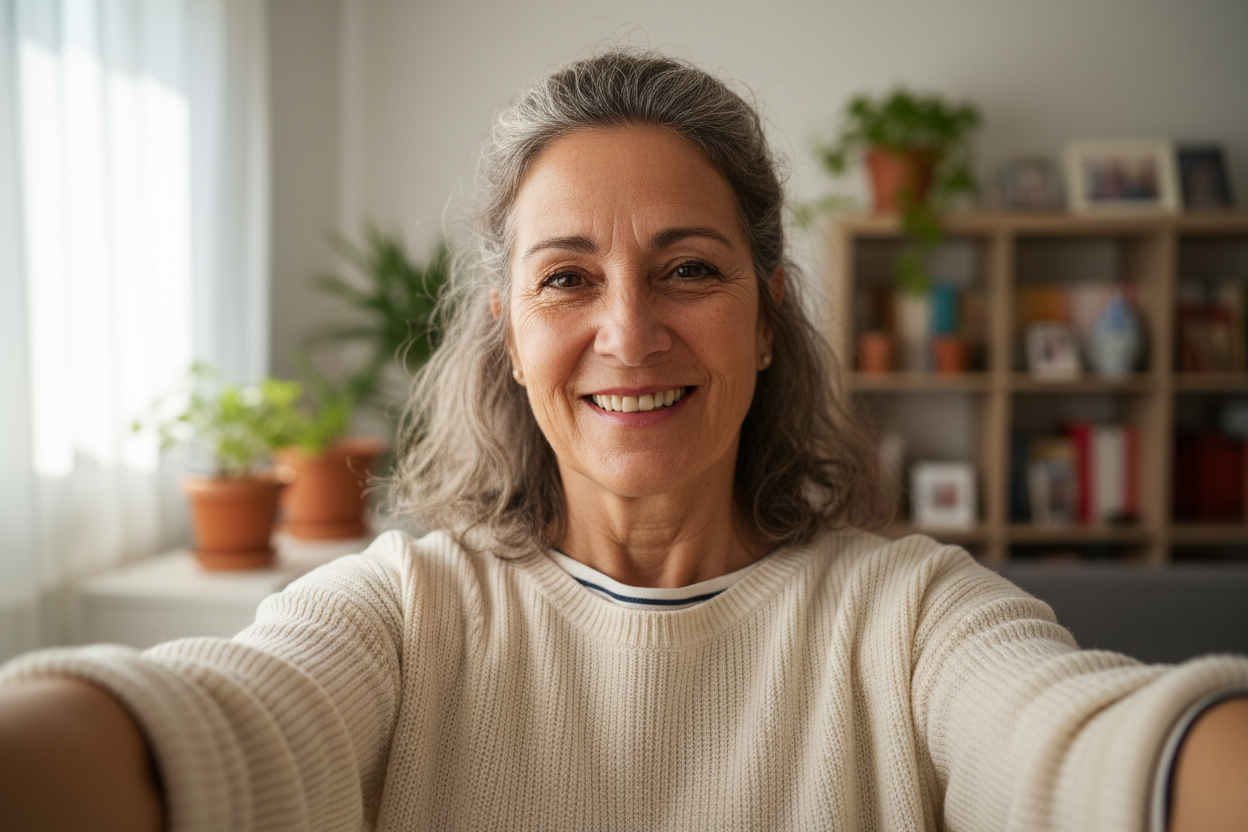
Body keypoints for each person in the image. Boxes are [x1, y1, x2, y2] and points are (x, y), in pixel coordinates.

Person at [2, 48, 1247, 832]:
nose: (630, 331)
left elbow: (1087, 750)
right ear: (507, 333)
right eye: (567, 280)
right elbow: (219, 724)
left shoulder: (909, 617)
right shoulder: (407, 610)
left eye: (688, 269)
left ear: (767, 317)